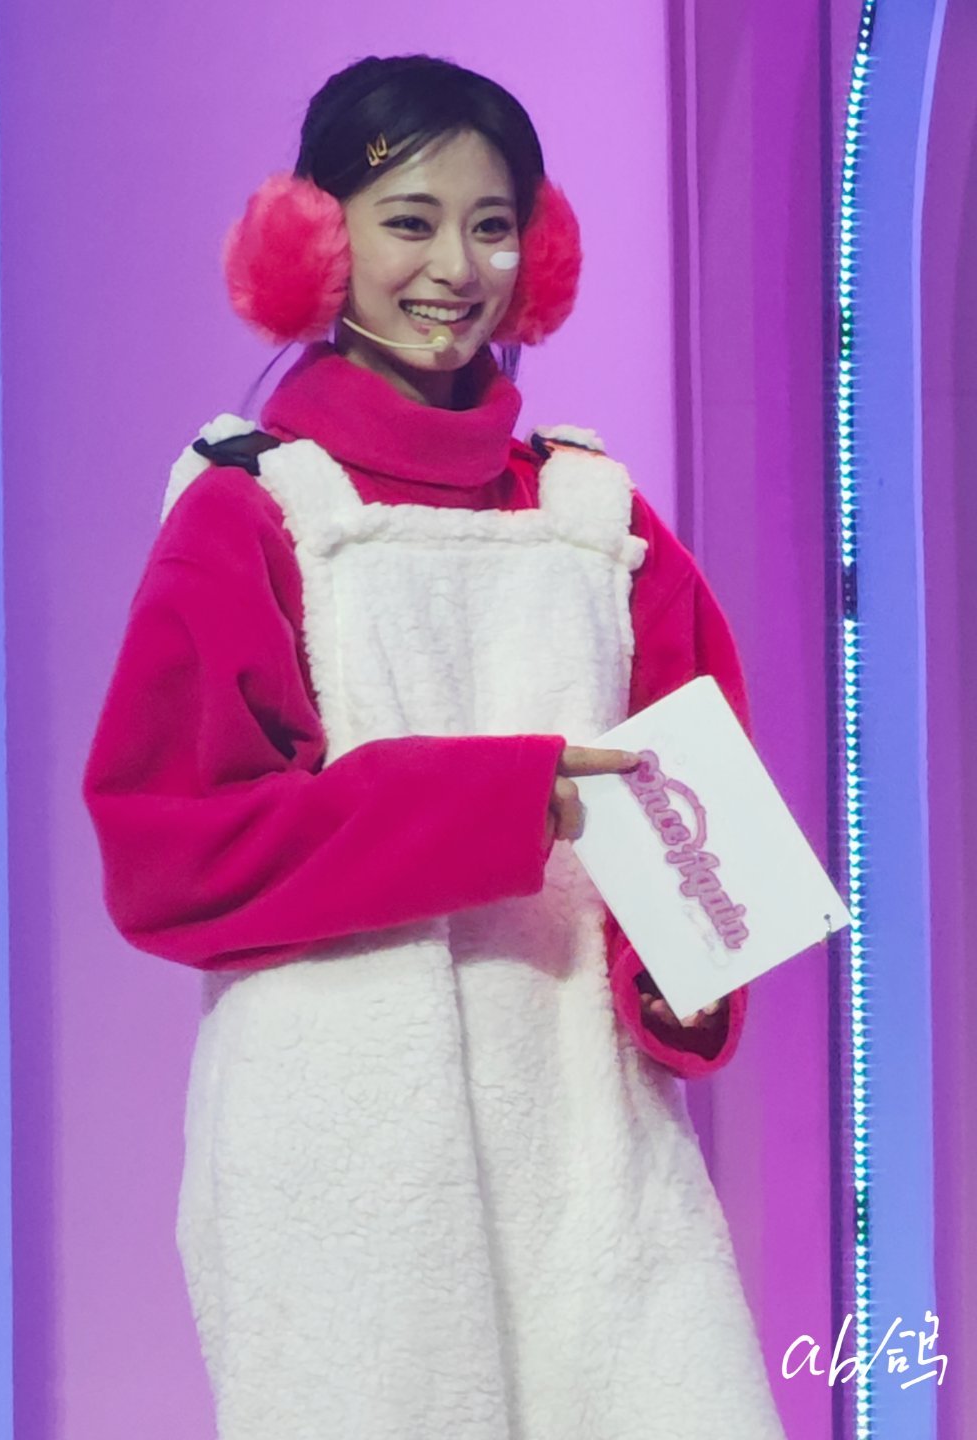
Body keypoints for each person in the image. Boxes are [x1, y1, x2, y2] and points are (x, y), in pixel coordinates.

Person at [83, 53, 786, 1440]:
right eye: (409, 220)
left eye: (493, 223)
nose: (456, 268)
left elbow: (704, 825)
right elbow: (172, 856)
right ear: (312, 239)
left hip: (587, 1126)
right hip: (345, 1136)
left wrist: (686, 969)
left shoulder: (597, 520)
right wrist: (502, 800)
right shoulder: (254, 510)